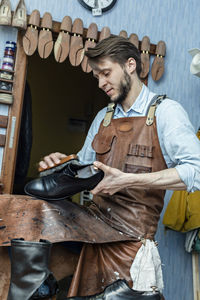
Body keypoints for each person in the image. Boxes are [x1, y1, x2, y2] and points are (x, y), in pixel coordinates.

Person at [13, 36, 200, 299]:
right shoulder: (104, 117)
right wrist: (64, 164)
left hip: (132, 241)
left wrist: (128, 180)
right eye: (97, 76)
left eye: (106, 73)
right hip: (94, 230)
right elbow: (86, 166)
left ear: (130, 65)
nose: (101, 83)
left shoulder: (166, 112)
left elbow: (197, 171)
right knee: (28, 211)